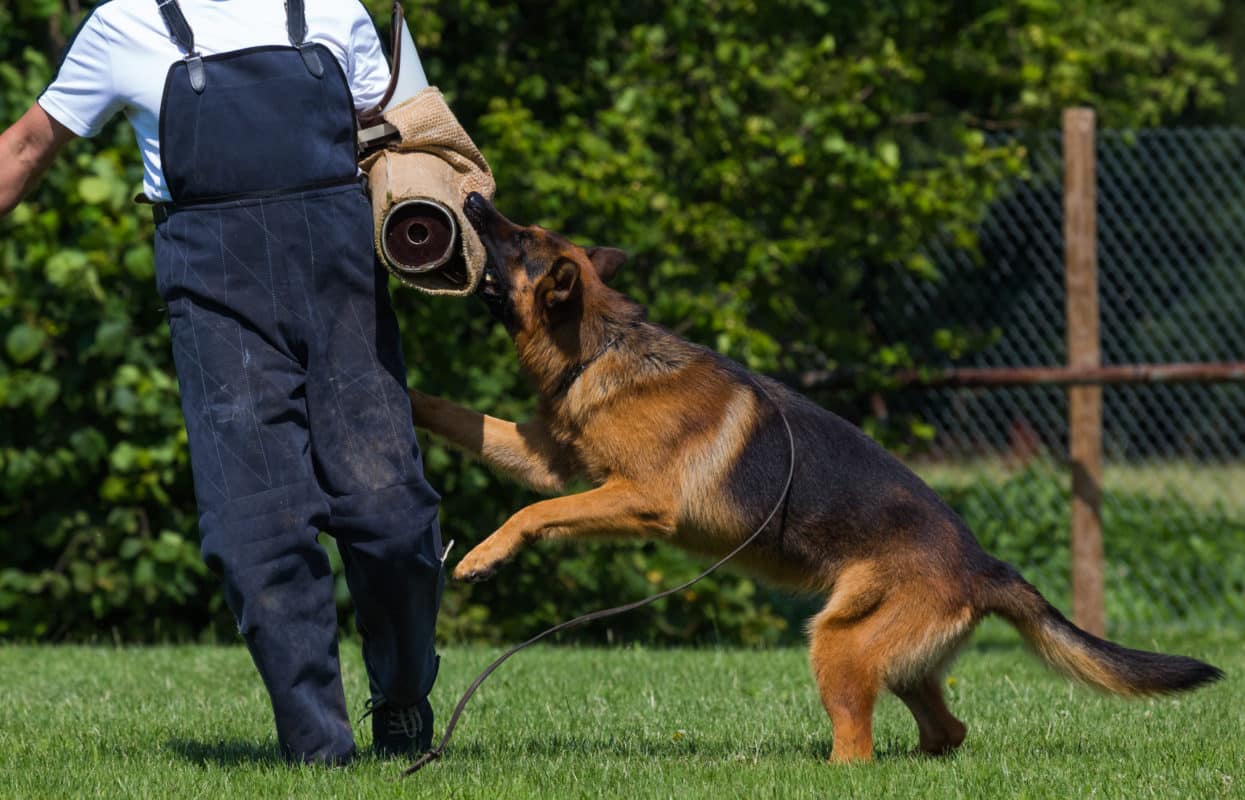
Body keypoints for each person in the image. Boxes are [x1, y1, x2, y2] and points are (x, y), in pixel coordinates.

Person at [0, 0, 445, 766]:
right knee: (255, 535)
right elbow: (27, 146)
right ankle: (319, 752)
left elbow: (419, 139)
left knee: (393, 519)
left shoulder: (338, 12)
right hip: (215, 295)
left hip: (343, 289)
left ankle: (402, 697)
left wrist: (453, 222)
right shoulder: (123, 22)